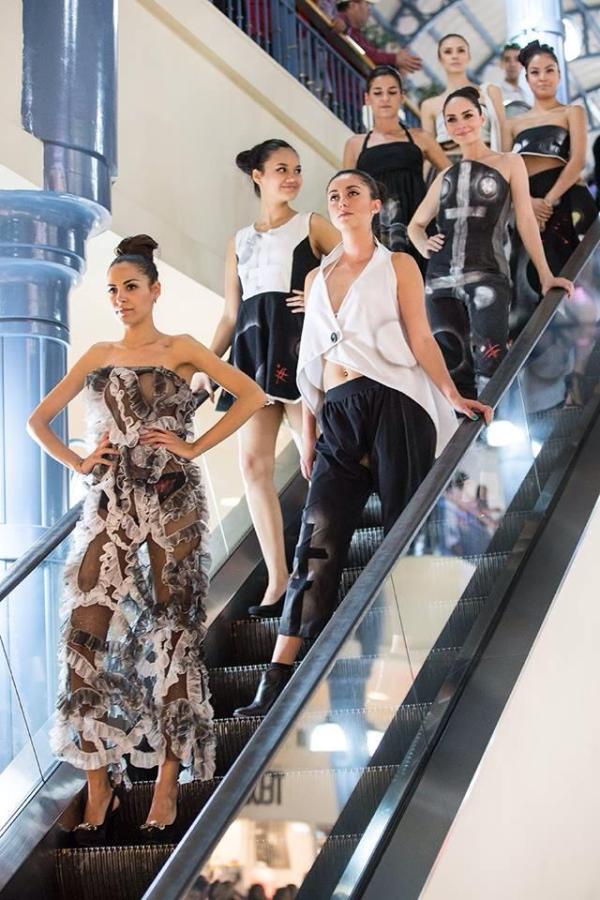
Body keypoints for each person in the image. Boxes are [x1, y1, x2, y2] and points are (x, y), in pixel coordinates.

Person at [26, 235, 266, 840]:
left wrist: (193, 445)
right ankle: (99, 784)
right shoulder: (99, 353)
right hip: (109, 500)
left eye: (130, 287)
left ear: (155, 290)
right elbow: (37, 420)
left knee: (174, 627)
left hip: (171, 498)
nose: (120, 298)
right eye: (112, 290)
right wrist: (81, 461)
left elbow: (252, 395)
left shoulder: (181, 348)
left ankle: (166, 780)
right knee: (83, 629)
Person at [233, 168, 492, 718]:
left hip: (396, 402)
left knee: (403, 531)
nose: (342, 201)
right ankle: (276, 681)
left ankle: (411, 663)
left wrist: (453, 394)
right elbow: (311, 359)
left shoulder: (397, 264)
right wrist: (308, 435)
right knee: (315, 542)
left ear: (375, 205)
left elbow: (419, 335)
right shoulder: (315, 277)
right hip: (337, 409)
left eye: (353, 192)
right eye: (334, 195)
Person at [194, 140, 339, 618]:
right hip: (251, 352)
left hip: (295, 346)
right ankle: (278, 578)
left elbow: (357, 265)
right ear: (258, 176)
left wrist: (316, 294)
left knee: (316, 458)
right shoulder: (239, 240)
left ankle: (320, 567)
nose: (292, 177)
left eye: (297, 169)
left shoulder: (311, 224)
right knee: (253, 464)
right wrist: (207, 366)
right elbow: (230, 314)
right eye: (281, 169)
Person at [408, 87, 573, 399]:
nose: (461, 124)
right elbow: (415, 225)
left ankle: (497, 425)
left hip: (487, 275)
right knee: (453, 369)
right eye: (452, 119)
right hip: (439, 282)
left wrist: (546, 275)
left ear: (482, 117)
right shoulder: (445, 175)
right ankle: (464, 430)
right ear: (446, 127)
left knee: (492, 363)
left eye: (467, 115)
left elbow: (526, 220)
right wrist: (423, 244)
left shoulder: (510, 163)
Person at [504, 40, 597, 329]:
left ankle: (588, 346)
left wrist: (547, 201)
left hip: (567, 201)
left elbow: (577, 160)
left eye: (549, 70)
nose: (542, 77)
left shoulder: (572, 112)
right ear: (526, 77)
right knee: (530, 281)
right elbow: (505, 172)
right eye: (535, 72)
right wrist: (527, 204)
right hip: (527, 207)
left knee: (580, 278)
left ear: (559, 74)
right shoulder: (513, 124)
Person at [342, 65, 450, 272]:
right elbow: (345, 194)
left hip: (417, 222)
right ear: (367, 98)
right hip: (375, 226)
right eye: (378, 93)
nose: (385, 98)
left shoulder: (420, 138)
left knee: (421, 277)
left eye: (392, 92)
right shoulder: (355, 144)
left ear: (402, 97)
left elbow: (451, 174)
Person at [420, 33, 505, 160]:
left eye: (461, 50)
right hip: (447, 164)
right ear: (440, 59)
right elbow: (429, 152)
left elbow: (503, 132)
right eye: (448, 52)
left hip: (487, 161)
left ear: (468, 56)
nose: (455, 56)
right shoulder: (429, 105)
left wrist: (505, 164)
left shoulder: (489, 92)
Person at [335, 0, 422, 74]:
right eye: (367, 5)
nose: (369, 12)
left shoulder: (356, 34)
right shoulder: (341, 23)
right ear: (353, 5)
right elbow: (364, 54)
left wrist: (397, 64)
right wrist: (395, 59)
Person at [498, 42, 531, 109]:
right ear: (501, 64)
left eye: (517, 59)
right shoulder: (496, 95)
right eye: (507, 60)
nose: (512, 64)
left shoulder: (529, 93)